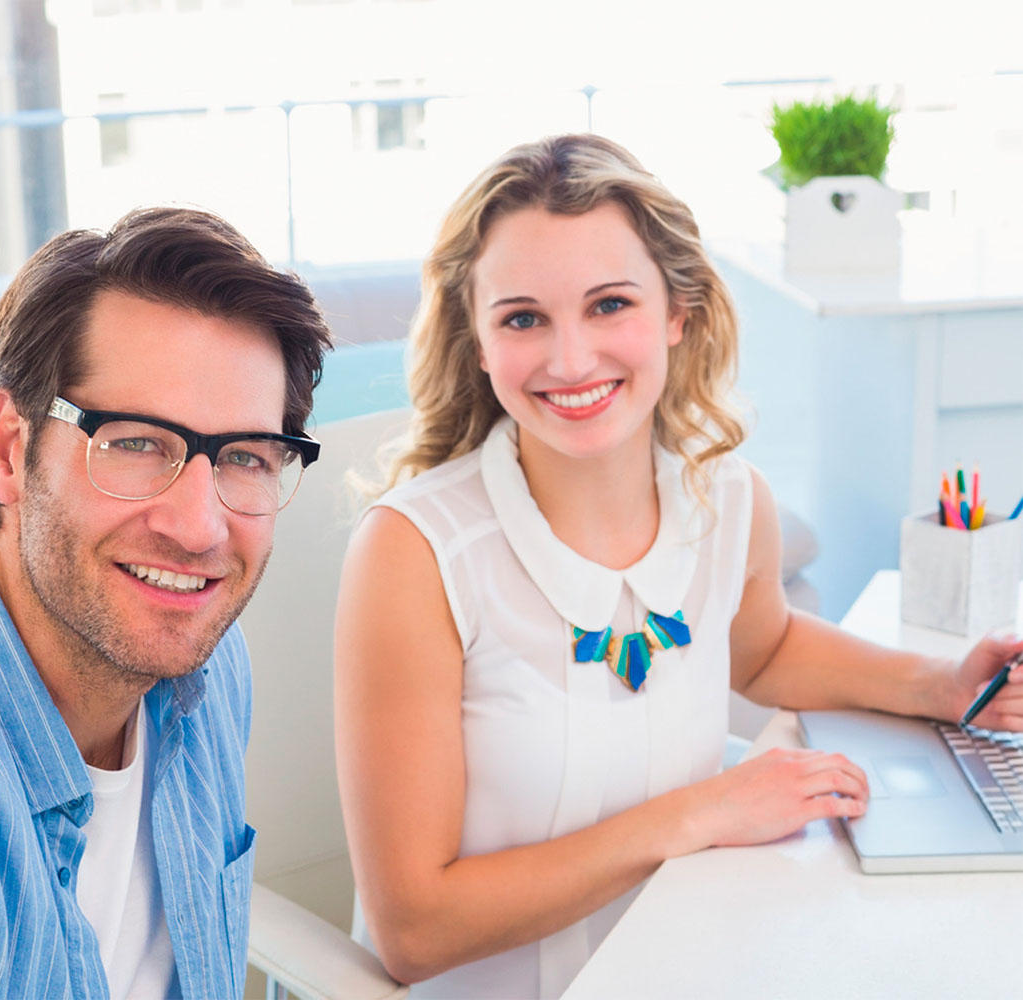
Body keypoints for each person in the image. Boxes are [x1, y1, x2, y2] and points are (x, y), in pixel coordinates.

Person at [333, 134, 1023, 999]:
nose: (570, 360)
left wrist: (944, 686)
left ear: (677, 313)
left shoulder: (727, 499)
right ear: (477, 340)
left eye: (609, 304)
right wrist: (704, 811)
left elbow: (765, 651)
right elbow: (415, 931)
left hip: (695, 961)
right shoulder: (412, 552)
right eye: (523, 318)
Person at [0, 206, 332, 999]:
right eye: (135, 443)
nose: (199, 530)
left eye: (244, 457)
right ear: (9, 451)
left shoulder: (208, 661)